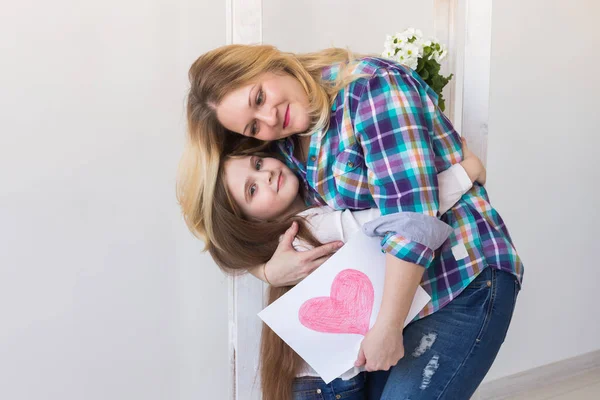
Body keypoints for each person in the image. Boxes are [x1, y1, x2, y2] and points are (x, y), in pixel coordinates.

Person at [177, 44, 524, 399]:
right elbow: (227, 234)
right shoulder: (283, 145)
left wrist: (388, 326)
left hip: (461, 279)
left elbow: (411, 220)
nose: (268, 119)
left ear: (271, 64)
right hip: (399, 305)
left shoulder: (371, 89)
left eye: (260, 97)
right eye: (253, 125)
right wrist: (269, 271)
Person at [207, 139, 485, 400]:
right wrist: (467, 171)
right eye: (252, 190)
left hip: (319, 380)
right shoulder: (312, 227)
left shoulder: (291, 238)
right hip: (328, 383)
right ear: (250, 222)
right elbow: (403, 216)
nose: (265, 175)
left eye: (258, 164)